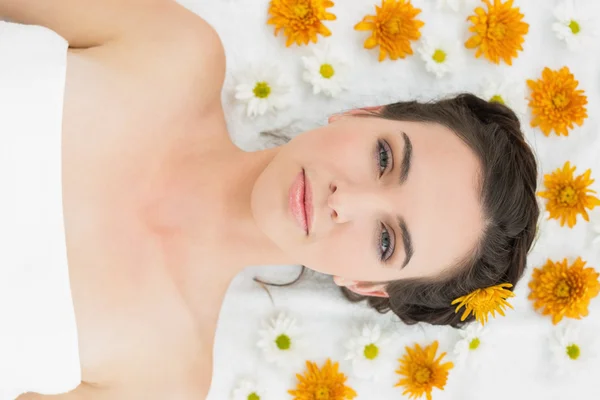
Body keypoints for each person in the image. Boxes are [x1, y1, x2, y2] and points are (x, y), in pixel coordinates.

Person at [0, 0, 539, 399]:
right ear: (364, 114)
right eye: (383, 159)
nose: (344, 200)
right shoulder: (176, 52)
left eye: (385, 238)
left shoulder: (161, 379)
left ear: (368, 285)